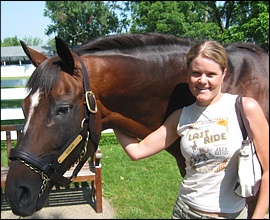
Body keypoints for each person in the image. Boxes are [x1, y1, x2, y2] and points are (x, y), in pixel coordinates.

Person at [114, 40, 269, 219]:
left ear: (223, 73)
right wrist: (112, 115)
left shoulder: (244, 108)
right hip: (185, 212)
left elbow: (268, 170)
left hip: (231, 214)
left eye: (211, 74)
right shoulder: (181, 116)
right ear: (188, 74)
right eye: (196, 73)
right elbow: (137, 151)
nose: (203, 81)